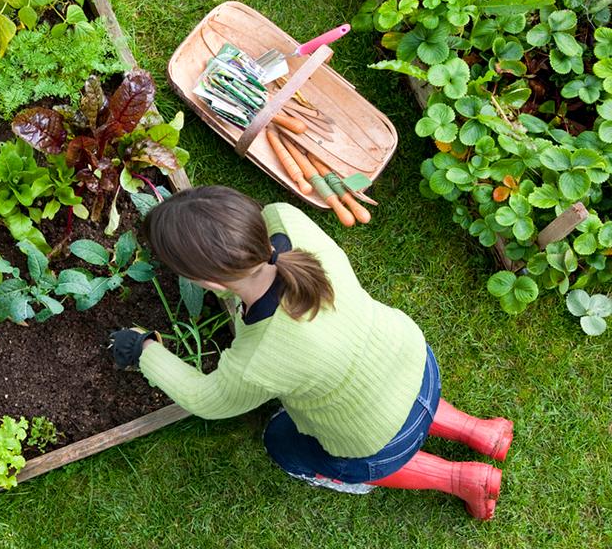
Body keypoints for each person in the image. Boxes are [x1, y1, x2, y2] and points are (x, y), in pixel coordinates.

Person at [109, 186, 513, 519]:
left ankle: (461, 479)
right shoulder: (286, 220)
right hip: (415, 362)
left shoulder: (259, 358)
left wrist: (143, 350)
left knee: (282, 443)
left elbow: (206, 399)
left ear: (209, 282)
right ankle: (481, 432)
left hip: (376, 439)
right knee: (388, 393)